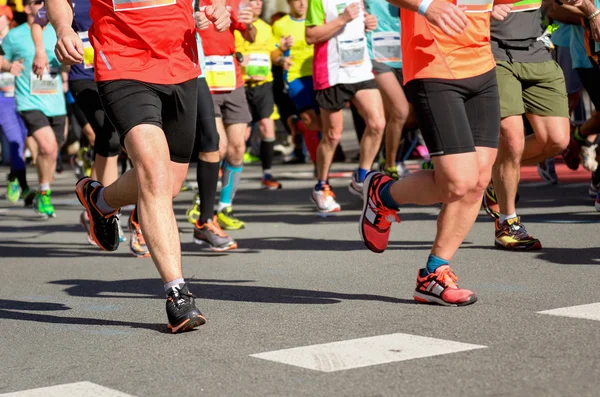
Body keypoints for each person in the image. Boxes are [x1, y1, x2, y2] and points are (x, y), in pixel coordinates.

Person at [48, 0, 231, 332]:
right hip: (122, 64)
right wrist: (62, 28)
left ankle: (100, 201)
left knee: (169, 185)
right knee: (154, 173)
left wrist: (218, 7)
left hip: (181, 64)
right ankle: (177, 294)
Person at [360, 0, 505, 306]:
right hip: (434, 64)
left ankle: (434, 274)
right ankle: (383, 194)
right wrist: (426, 6)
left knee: (479, 180)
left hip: (482, 65)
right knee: (456, 182)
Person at [30, 0, 130, 246]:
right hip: (83, 76)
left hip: (117, 72)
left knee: (115, 141)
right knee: (108, 138)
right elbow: (39, 20)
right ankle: (106, 212)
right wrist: (41, 50)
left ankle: (95, 204)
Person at [482, 1, 570, 251]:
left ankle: (494, 179)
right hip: (493, 51)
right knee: (512, 138)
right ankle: (507, 223)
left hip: (536, 50)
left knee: (556, 141)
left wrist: (592, 14)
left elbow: (557, 6)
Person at [306, 0, 386, 214]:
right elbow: (311, 36)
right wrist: (343, 19)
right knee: (332, 135)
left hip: (359, 69)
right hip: (332, 72)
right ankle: (321, 186)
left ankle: (361, 177)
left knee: (377, 123)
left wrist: (367, 22)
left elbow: (358, 23)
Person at [3, 0, 67, 218]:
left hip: (56, 102)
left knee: (52, 150)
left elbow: (66, 61)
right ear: (28, 8)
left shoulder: (58, 29)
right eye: (37, 2)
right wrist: (9, 66)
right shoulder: (15, 35)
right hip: (29, 101)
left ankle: (41, 189)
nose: (43, 4)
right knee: (48, 148)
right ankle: (44, 193)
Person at [198, 0, 255, 230]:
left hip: (233, 81)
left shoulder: (234, 2)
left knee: (237, 148)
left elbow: (250, 35)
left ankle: (224, 206)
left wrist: (250, 25)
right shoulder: (192, 2)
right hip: (205, 82)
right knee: (218, 147)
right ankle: (203, 201)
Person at [189, 2, 238, 251]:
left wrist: (218, 13)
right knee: (162, 154)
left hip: (194, 70)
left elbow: (216, 7)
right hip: (153, 70)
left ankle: (205, 221)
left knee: (212, 141)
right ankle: (139, 220)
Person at [234, 0, 283, 190]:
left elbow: (272, 53)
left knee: (267, 127)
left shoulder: (265, 27)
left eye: (260, 1)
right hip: (242, 84)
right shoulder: (236, 25)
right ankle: (229, 169)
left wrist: (281, 54)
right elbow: (229, 50)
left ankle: (267, 173)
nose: (259, 4)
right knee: (242, 132)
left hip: (263, 84)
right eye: (254, 1)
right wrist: (240, 58)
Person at [365, 0, 413, 180]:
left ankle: (379, 161)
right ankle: (390, 166)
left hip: (404, 55)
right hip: (376, 55)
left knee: (396, 116)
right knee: (400, 111)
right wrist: (361, 20)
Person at [272, 0, 321, 166]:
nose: (302, 4)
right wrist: (281, 57)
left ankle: (297, 125)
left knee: (322, 122)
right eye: (297, 0)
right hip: (294, 76)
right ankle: (318, 165)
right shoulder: (280, 24)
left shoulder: (319, 19)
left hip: (320, 73)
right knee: (311, 119)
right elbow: (273, 54)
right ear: (289, 3)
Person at [0, 5, 29, 203]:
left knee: (24, 140)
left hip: (24, 96)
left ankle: (13, 176)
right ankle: (26, 189)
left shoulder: (19, 38)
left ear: (8, 18)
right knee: (14, 140)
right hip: (3, 98)